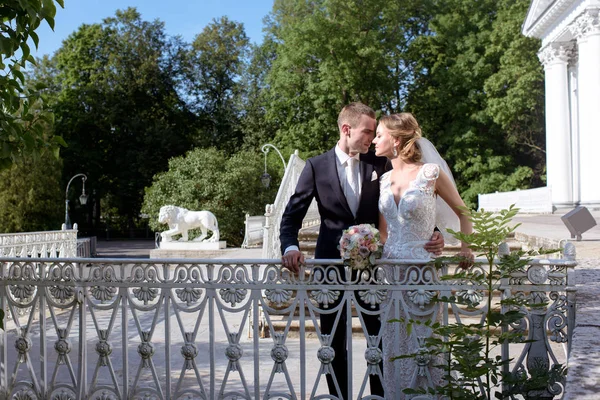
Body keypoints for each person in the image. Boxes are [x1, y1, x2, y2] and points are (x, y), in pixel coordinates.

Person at [279, 102, 445, 399]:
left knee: (380, 339)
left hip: (374, 271)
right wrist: (290, 246)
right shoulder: (316, 166)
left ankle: (381, 397)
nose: (372, 137)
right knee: (333, 344)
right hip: (329, 270)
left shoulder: (378, 163)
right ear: (347, 129)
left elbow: (415, 200)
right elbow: (292, 215)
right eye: (368, 131)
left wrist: (434, 233)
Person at [372, 112, 473, 398]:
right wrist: (367, 248)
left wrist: (465, 246)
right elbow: (384, 232)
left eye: (379, 135)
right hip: (392, 276)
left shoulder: (430, 173)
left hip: (424, 272)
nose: (375, 141)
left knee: (426, 345)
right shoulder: (384, 178)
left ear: (395, 139)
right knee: (395, 344)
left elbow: (463, 213)